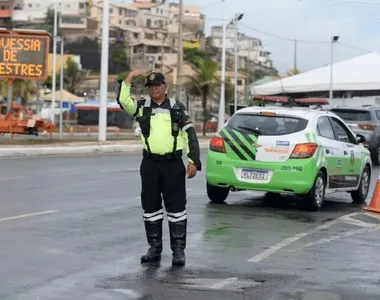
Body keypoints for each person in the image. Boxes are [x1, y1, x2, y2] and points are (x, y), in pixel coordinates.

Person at [116, 70, 201, 266]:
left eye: (158, 85)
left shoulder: (177, 109)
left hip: (172, 165)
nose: (154, 89)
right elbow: (124, 102)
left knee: (177, 208)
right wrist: (128, 79)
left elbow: (190, 136)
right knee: (150, 207)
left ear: (165, 87)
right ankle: (154, 249)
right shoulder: (142, 108)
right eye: (151, 86)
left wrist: (192, 161)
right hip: (150, 165)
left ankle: (178, 251)